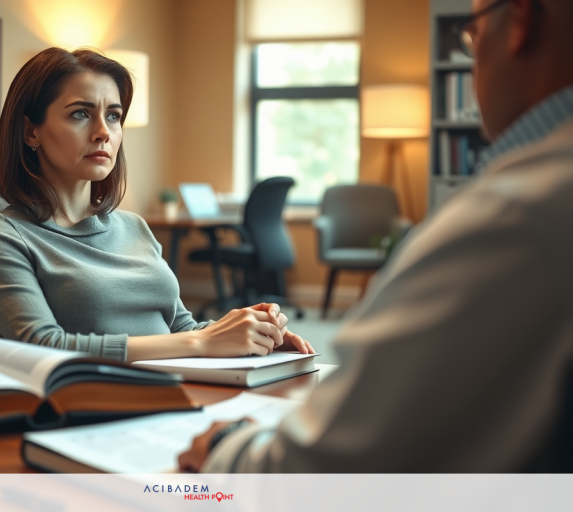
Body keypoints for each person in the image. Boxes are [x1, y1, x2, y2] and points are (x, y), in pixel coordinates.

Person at [179, 0, 573, 473]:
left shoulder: (515, 216)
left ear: (521, 21)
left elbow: (323, 470)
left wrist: (229, 447)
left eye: (471, 35)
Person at [0, 48, 315, 364]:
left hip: (181, 385)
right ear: (31, 132)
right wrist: (202, 342)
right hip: (98, 406)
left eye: (114, 116)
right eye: (80, 114)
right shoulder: (1, 234)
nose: (104, 131)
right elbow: (39, 345)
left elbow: (181, 327)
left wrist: (250, 334)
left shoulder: (134, 227)